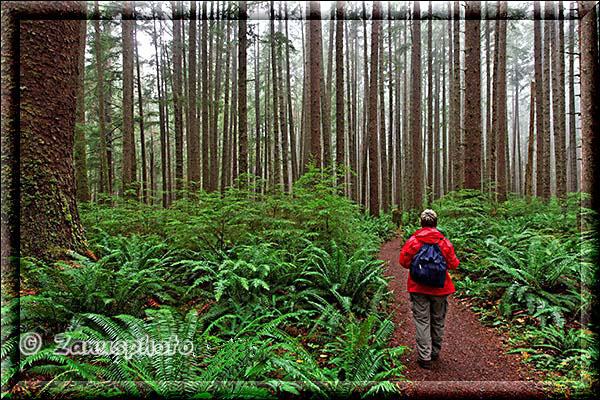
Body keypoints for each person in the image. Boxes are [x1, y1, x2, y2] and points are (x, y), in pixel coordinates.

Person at [398, 209, 459, 369]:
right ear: (436, 223)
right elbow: (454, 264)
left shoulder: (413, 241)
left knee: (422, 321)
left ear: (421, 222)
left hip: (418, 287)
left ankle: (424, 357)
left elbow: (403, 262)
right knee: (438, 320)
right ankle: (435, 352)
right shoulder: (444, 242)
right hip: (441, 288)